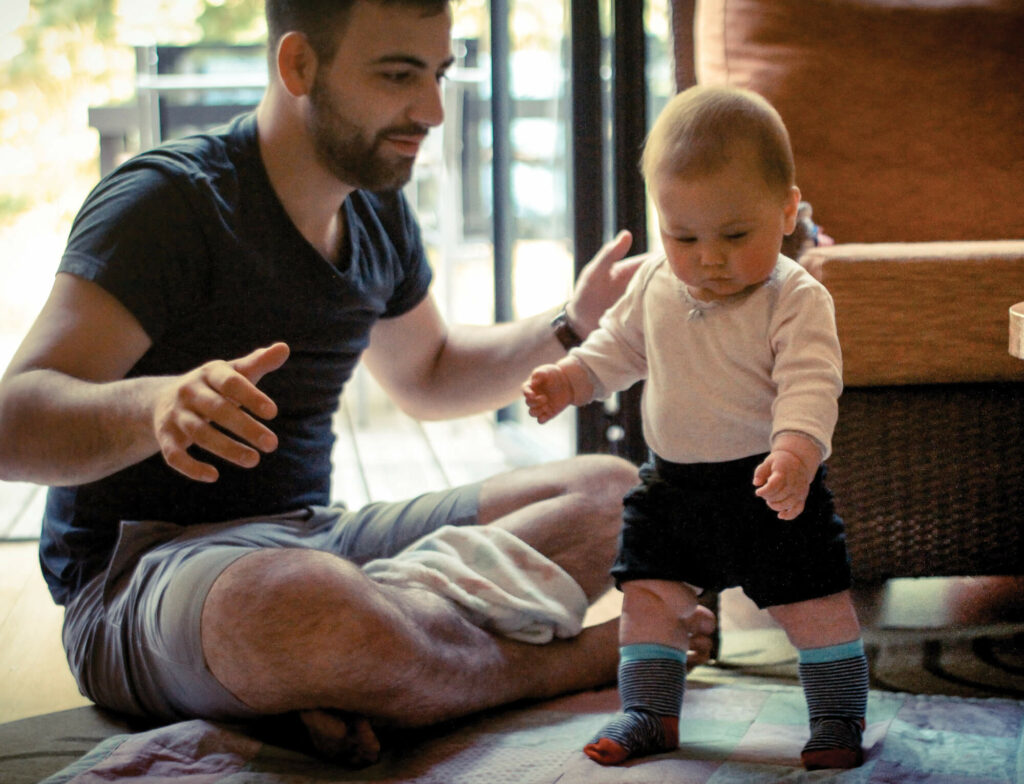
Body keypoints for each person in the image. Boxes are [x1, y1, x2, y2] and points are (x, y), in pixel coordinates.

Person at [0, 0, 715, 766]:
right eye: (399, 76)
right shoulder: (167, 203)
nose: (433, 110)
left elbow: (430, 373)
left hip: (319, 541)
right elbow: (13, 427)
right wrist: (156, 407)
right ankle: (554, 665)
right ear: (298, 65)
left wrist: (572, 323)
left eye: (438, 74)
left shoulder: (374, 207)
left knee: (618, 494)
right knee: (292, 605)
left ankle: (373, 661)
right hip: (143, 578)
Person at [523, 85, 869, 771]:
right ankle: (650, 713)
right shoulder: (655, 284)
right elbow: (616, 349)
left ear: (787, 211)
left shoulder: (795, 299)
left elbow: (810, 384)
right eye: (683, 237)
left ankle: (837, 714)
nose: (709, 257)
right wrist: (569, 379)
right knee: (649, 599)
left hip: (772, 488)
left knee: (815, 603)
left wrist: (795, 453)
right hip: (673, 489)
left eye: (735, 236)